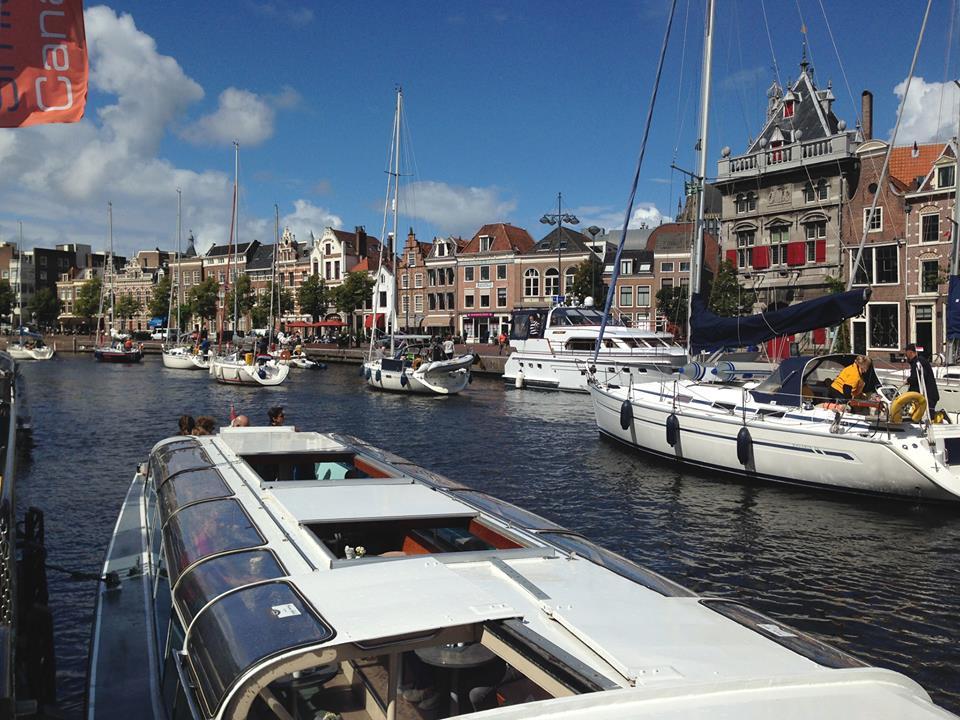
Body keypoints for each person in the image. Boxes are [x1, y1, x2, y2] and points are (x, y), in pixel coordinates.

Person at [905, 343, 940, 412]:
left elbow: (917, 378)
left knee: (928, 414)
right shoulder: (921, 361)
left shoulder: (918, 362)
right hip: (929, 394)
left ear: (910, 352)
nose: (906, 356)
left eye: (906, 354)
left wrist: (908, 381)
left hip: (928, 396)